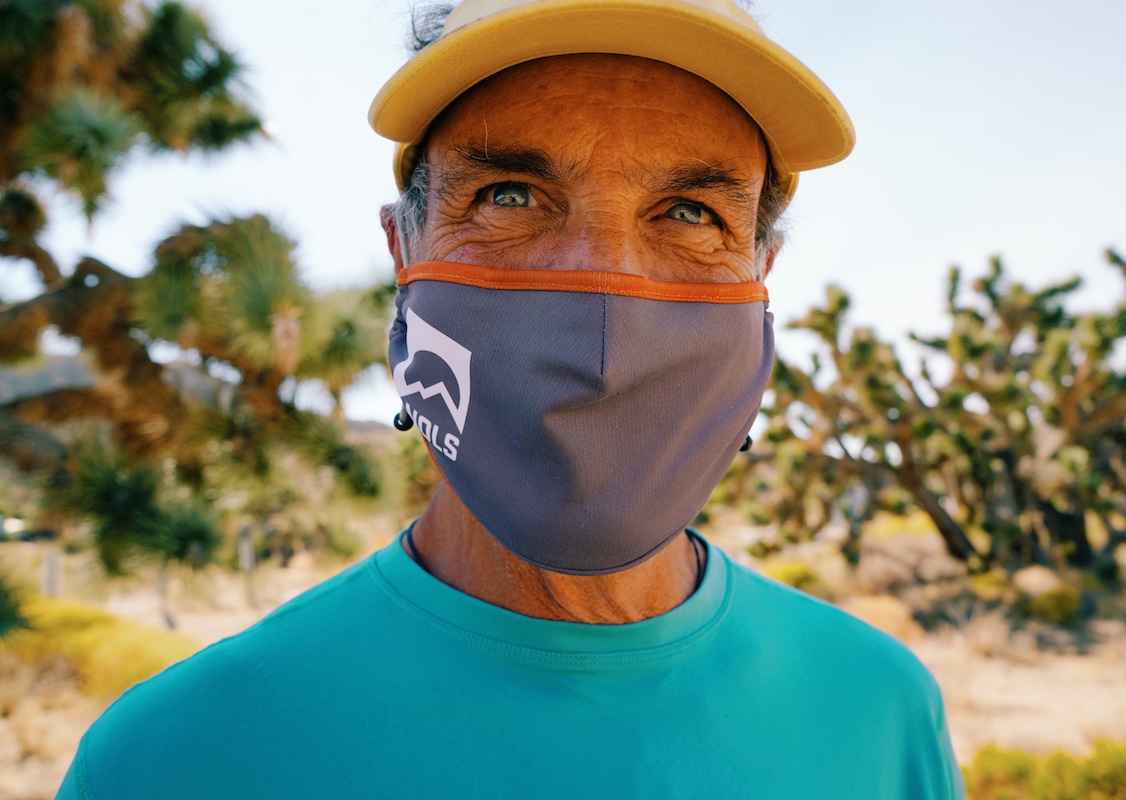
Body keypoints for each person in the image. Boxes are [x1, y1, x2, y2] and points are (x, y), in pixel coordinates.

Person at [58, 1, 965, 797]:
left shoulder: (880, 711)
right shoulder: (170, 762)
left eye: (691, 214)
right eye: (510, 195)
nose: (602, 292)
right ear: (401, 254)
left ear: (762, 273)